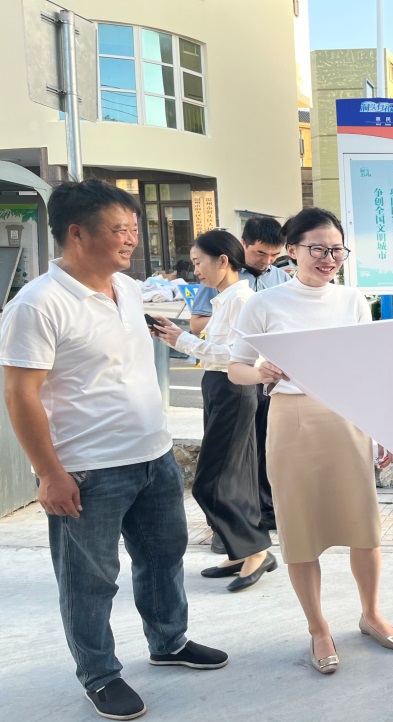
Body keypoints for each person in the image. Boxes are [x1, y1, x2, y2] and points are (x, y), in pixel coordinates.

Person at [0, 180, 227, 721]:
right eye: (120, 229)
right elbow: (19, 394)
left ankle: (168, 641)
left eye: (134, 229)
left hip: (153, 456)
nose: (131, 240)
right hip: (87, 469)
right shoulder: (37, 305)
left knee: (163, 556)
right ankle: (99, 674)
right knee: (90, 580)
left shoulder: (126, 289)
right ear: (77, 233)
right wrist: (48, 473)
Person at [228, 207, 393, 674]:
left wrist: (381, 425)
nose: (329, 259)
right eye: (318, 249)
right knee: (301, 529)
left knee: (364, 527)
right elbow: (235, 368)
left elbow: (368, 368)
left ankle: (371, 615)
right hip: (292, 419)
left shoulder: (352, 300)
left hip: (347, 416)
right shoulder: (263, 304)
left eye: (337, 250)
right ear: (292, 250)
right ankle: (318, 628)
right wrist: (260, 371)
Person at [150, 230, 276, 592]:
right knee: (234, 477)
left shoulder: (242, 301)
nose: (195, 271)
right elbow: (218, 349)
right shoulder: (224, 299)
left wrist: (184, 341)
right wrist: (180, 337)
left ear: (222, 260)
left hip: (234, 388)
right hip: (219, 387)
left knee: (211, 481)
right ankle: (242, 552)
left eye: (198, 262)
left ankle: (255, 549)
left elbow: (240, 357)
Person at [192, 216, 288, 539]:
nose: (267, 261)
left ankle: (264, 513)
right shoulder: (225, 278)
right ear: (243, 245)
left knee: (265, 447)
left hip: (268, 376)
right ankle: (238, 527)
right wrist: (241, 323)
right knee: (237, 454)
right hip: (236, 373)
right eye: (260, 253)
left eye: (274, 255)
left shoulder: (281, 278)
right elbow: (198, 323)